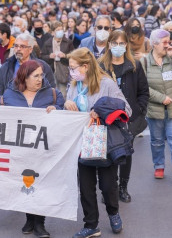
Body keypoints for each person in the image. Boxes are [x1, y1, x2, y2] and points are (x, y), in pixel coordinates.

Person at [66, 48, 132, 238]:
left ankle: (113, 213)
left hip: (104, 141)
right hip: (80, 142)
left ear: (85, 66)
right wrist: (67, 104)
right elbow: (69, 106)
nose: (71, 72)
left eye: (73, 68)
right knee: (86, 187)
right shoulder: (73, 85)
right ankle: (91, 225)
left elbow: (126, 109)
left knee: (108, 185)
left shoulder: (106, 83)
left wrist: (102, 110)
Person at [0, 60, 64, 238]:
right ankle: (29, 218)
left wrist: (56, 108)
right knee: (25, 183)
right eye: (36, 76)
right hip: (21, 149)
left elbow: (63, 111)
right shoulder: (9, 95)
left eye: (42, 75)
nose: (40, 79)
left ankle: (39, 223)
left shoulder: (52, 94)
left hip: (45, 149)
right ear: (24, 78)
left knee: (41, 183)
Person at [99, 30, 149, 203]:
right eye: (114, 43)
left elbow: (143, 91)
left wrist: (138, 111)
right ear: (109, 45)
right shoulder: (101, 66)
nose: (118, 47)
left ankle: (123, 187)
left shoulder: (134, 65)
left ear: (126, 45)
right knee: (108, 154)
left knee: (126, 154)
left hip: (128, 118)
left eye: (121, 43)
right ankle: (109, 189)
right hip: (107, 118)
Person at [140, 29, 172, 183]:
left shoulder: (171, 57)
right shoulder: (144, 62)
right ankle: (159, 166)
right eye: (165, 42)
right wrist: (161, 98)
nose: (168, 45)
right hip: (155, 109)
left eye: (169, 41)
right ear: (154, 44)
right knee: (156, 141)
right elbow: (142, 87)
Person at [0, 33, 55, 101]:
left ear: (30, 49)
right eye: (16, 46)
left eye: (22, 46)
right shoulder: (5, 67)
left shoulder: (43, 66)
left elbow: (51, 90)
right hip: (12, 107)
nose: (18, 49)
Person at [41, 21, 74, 96]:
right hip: (52, 70)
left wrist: (65, 55)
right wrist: (49, 56)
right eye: (58, 30)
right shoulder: (47, 43)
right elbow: (42, 57)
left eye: (61, 29)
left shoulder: (68, 42)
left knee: (63, 93)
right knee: (52, 92)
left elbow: (74, 56)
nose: (60, 31)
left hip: (64, 71)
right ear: (53, 32)